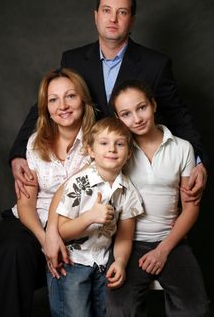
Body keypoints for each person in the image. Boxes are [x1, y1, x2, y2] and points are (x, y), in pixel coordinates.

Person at [9, 0, 208, 204]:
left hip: (134, 168)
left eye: (121, 12)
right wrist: (18, 153)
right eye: (106, 10)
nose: (113, 18)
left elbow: (178, 115)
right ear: (96, 16)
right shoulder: (73, 60)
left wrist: (198, 162)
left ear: (131, 20)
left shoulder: (156, 65)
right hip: (85, 166)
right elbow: (46, 106)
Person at [0, 68, 96, 317]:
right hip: (29, 223)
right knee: (14, 252)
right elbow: (25, 205)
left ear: (83, 100)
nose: (63, 106)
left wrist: (56, 234)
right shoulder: (36, 142)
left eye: (71, 96)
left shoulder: (99, 141)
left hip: (73, 229)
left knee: (6, 266)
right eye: (53, 100)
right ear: (45, 107)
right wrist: (45, 238)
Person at [105, 80, 210, 316]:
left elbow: (191, 207)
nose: (137, 118)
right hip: (129, 243)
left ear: (153, 104)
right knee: (119, 308)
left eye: (141, 107)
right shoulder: (118, 150)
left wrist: (163, 250)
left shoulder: (182, 148)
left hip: (171, 240)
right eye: (126, 114)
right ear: (118, 118)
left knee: (195, 309)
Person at [46, 117, 144, 317]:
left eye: (119, 144)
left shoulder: (129, 192)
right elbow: (62, 231)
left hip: (102, 263)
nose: (112, 149)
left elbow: (125, 236)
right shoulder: (78, 184)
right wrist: (90, 217)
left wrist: (121, 261)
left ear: (129, 154)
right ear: (90, 150)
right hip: (72, 263)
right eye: (104, 143)